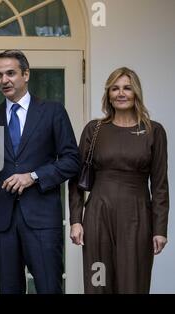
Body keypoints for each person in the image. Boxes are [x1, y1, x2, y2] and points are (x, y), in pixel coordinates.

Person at [0, 50, 80, 293]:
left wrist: (33, 177)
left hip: (42, 220)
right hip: (3, 222)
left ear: (26, 74)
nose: (4, 80)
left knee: (49, 288)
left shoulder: (52, 111)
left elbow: (72, 160)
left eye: (10, 73)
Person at [69, 67, 169, 293]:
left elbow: (160, 185)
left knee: (132, 283)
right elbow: (76, 180)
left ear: (136, 93)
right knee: (98, 280)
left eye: (127, 88)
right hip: (97, 218)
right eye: (115, 88)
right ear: (108, 94)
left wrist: (160, 228)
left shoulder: (154, 131)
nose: (121, 93)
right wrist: (76, 220)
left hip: (137, 219)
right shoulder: (94, 130)